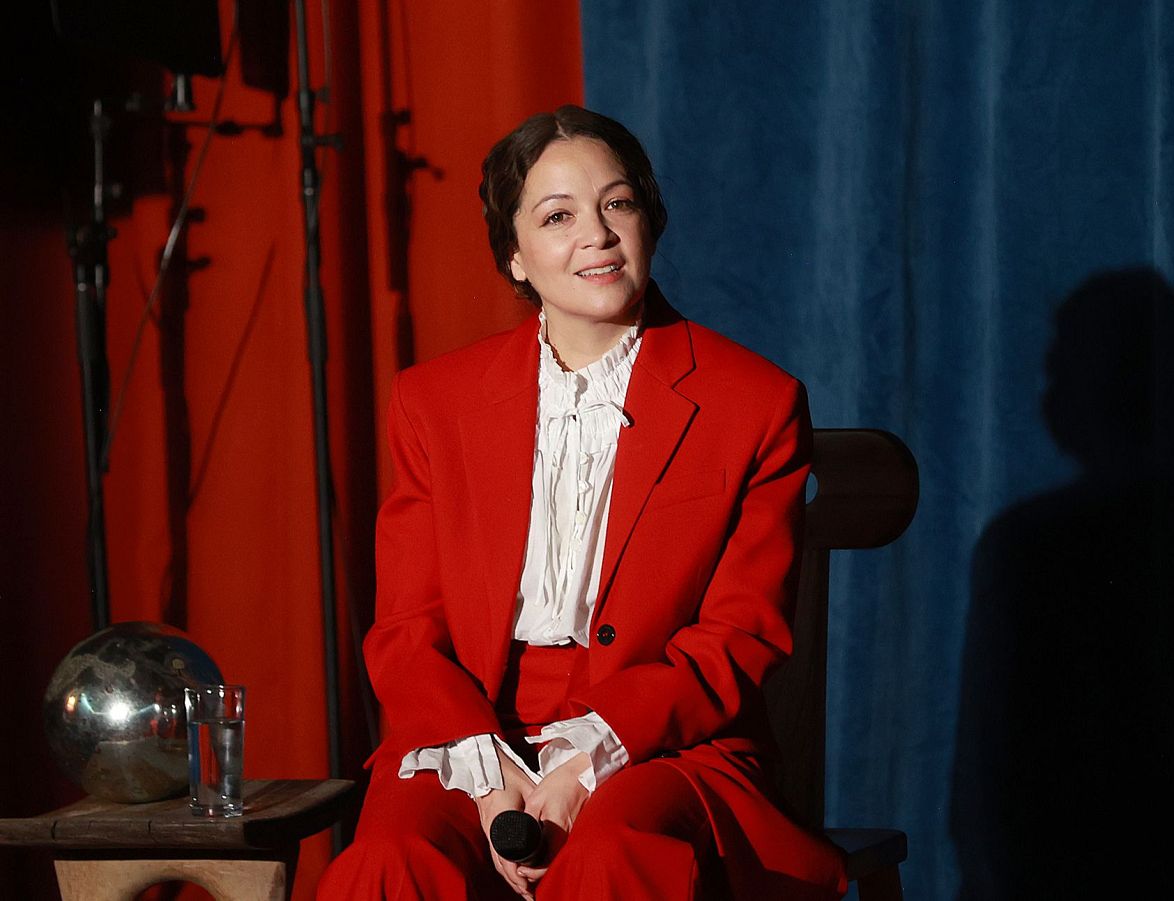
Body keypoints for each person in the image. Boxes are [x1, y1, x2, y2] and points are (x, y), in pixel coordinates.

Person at [318, 105, 847, 900]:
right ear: (515, 254)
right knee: (389, 859)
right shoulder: (433, 401)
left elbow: (740, 635)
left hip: (666, 739)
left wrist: (585, 762)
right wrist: (488, 775)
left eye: (617, 203)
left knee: (612, 853)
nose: (596, 234)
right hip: (470, 730)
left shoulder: (755, 402)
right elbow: (405, 630)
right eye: (558, 216)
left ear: (650, 221)